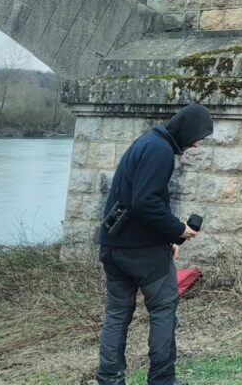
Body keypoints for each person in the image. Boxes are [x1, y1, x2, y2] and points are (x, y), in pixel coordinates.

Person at [96, 103, 214, 385]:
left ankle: (109, 379)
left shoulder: (145, 143)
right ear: (187, 131)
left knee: (116, 313)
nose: (197, 144)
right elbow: (145, 201)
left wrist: (169, 238)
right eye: (199, 136)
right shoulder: (161, 152)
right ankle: (162, 380)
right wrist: (179, 230)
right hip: (143, 253)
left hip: (114, 246)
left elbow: (135, 199)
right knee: (163, 311)